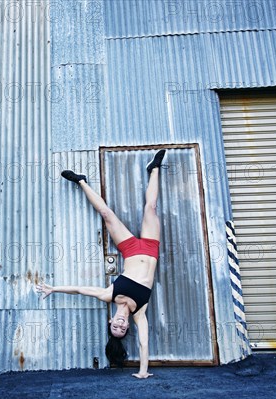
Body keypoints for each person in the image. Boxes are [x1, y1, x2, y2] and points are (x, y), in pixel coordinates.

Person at [36, 149, 166, 379]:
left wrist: (53, 288)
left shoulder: (109, 294)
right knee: (150, 208)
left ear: (110, 321)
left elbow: (78, 290)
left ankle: (81, 181)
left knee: (107, 214)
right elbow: (144, 344)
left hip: (130, 249)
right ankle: (154, 168)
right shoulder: (140, 312)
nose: (119, 325)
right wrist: (143, 372)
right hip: (150, 247)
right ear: (127, 328)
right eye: (122, 329)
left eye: (114, 327)